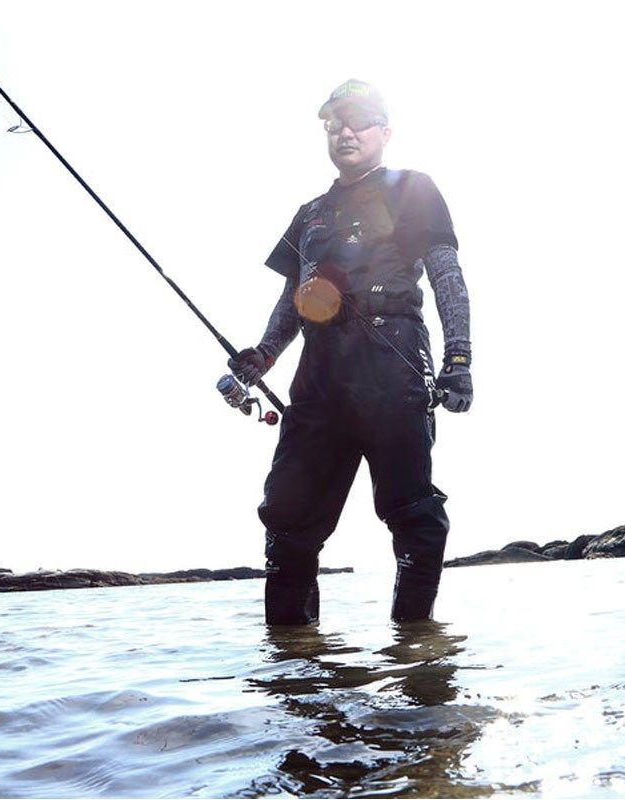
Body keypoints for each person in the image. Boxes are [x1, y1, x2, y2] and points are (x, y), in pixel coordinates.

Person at [228, 79, 472, 624]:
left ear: (385, 131)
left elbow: (446, 275)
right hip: (319, 376)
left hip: (394, 359)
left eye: (358, 120)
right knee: (288, 520)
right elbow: (293, 300)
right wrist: (263, 356)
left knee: (413, 513)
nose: (345, 132)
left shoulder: (413, 187)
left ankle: (417, 661)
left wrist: (460, 359)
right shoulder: (309, 212)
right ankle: (294, 670)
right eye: (333, 124)